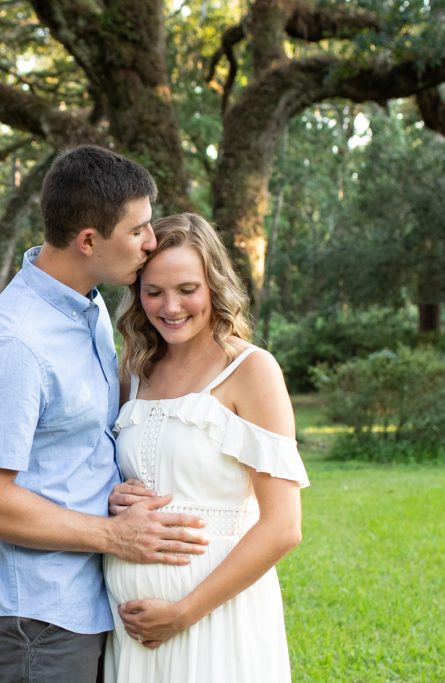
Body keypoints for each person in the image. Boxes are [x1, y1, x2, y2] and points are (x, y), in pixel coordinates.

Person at [0, 145, 209, 682]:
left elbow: (71, 445)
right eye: (138, 230)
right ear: (89, 240)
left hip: (78, 608)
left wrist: (111, 485)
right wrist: (113, 534)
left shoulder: (84, 306)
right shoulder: (15, 344)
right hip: (29, 621)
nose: (151, 241)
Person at [102, 213, 309, 682]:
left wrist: (183, 612)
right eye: (153, 292)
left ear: (214, 285)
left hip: (214, 616)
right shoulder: (133, 371)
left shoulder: (252, 370)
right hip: (130, 624)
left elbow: (283, 526)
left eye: (187, 289)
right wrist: (111, 497)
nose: (170, 306)